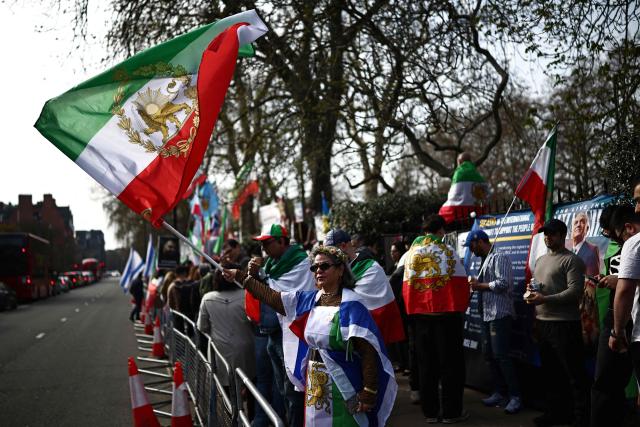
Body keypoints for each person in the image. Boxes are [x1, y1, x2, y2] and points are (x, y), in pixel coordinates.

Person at [222, 245, 397, 426]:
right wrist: (240, 276)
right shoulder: (310, 300)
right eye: (314, 267)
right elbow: (273, 298)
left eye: (324, 266)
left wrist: (369, 391)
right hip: (316, 388)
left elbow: (368, 351)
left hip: (346, 385)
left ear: (340, 269)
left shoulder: (353, 304)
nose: (318, 271)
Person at [403, 214, 470, 423]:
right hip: (446, 318)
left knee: (426, 367)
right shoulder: (448, 251)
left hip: (421, 319)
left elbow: (406, 288)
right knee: (451, 365)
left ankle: (430, 412)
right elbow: (461, 285)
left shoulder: (411, 254)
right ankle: (452, 412)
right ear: (441, 230)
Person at [246, 224, 315, 427]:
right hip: (274, 334)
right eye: (262, 244)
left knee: (294, 389)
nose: (264, 249)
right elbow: (269, 292)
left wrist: (258, 276)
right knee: (283, 389)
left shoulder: (300, 263)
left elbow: (284, 298)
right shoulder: (272, 266)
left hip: (294, 335)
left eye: (267, 243)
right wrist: (256, 275)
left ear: (283, 241)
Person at [526, 218, 589, 427]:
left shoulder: (572, 260)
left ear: (563, 236)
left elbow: (575, 292)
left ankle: (581, 418)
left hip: (565, 324)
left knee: (574, 374)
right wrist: (532, 293)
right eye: (545, 233)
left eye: (552, 234)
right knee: (551, 373)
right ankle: (555, 413)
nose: (547, 237)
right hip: (543, 323)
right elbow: (538, 287)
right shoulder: (541, 260)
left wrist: (545, 299)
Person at [465, 229, 522, 414]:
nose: (471, 251)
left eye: (472, 246)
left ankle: (515, 396)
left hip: (499, 314)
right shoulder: (482, 260)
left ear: (480, 241)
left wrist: (480, 286)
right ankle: (499, 392)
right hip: (486, 314)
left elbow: (505, 283)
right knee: (489, 355)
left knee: (501, 356)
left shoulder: (499, 257)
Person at [590, 205, 634, 427]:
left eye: (612, 233)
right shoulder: (622, 246)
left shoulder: (633, 244)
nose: (611, 238)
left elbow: (625, 289)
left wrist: (620, 281)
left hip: (626, 323)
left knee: (608, 381)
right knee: (607, 383)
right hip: (616, 319)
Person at [326, 229, 405, 345]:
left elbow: (350, 301)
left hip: (379, 331)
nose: (328, 257)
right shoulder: (340, 268)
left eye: (330, 253)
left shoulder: (371, 268)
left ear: (343, 246)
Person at [197, 262, 255, 389]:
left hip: (220, 351)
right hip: (247, 348)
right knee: (250, 387)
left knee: (225, 391)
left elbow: (202, 327)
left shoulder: (207, 299)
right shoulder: (247, 295)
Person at [609, 207, 640, 384]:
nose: (636, 207)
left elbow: (625, 290)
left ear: (628, 228)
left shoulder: (634, 243)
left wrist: (617, 332)